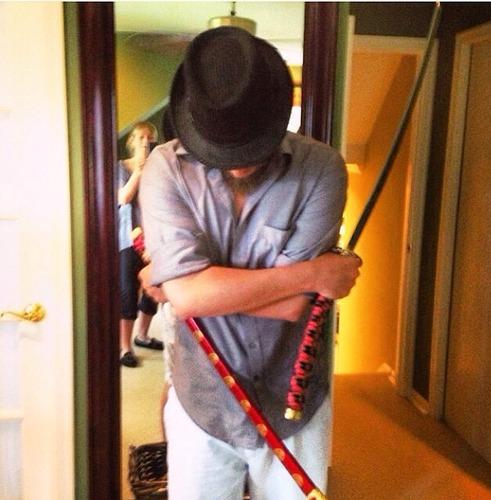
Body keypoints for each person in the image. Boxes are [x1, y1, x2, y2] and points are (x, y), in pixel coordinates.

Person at [139, 27, 361, 499]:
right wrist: (314, 273)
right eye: (222, 149)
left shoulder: (322, 169)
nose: (238, 164)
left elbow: (293, 306)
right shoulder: (164, 167)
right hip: (201, 398)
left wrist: (192, 287)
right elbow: (189, 296)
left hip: (295, 401)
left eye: (250, 146)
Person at [117, 121, 164, 368]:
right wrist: (139, 169)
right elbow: (123, 198)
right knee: (127, 291)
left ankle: (142, 336)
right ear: (132, 142)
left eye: (150, 137)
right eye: (141, 137)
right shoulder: (121, 167)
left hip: (154, 238)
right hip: (127, 238)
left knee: (153, 288)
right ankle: (125, 347)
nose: (146, 142)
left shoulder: (160, 168)